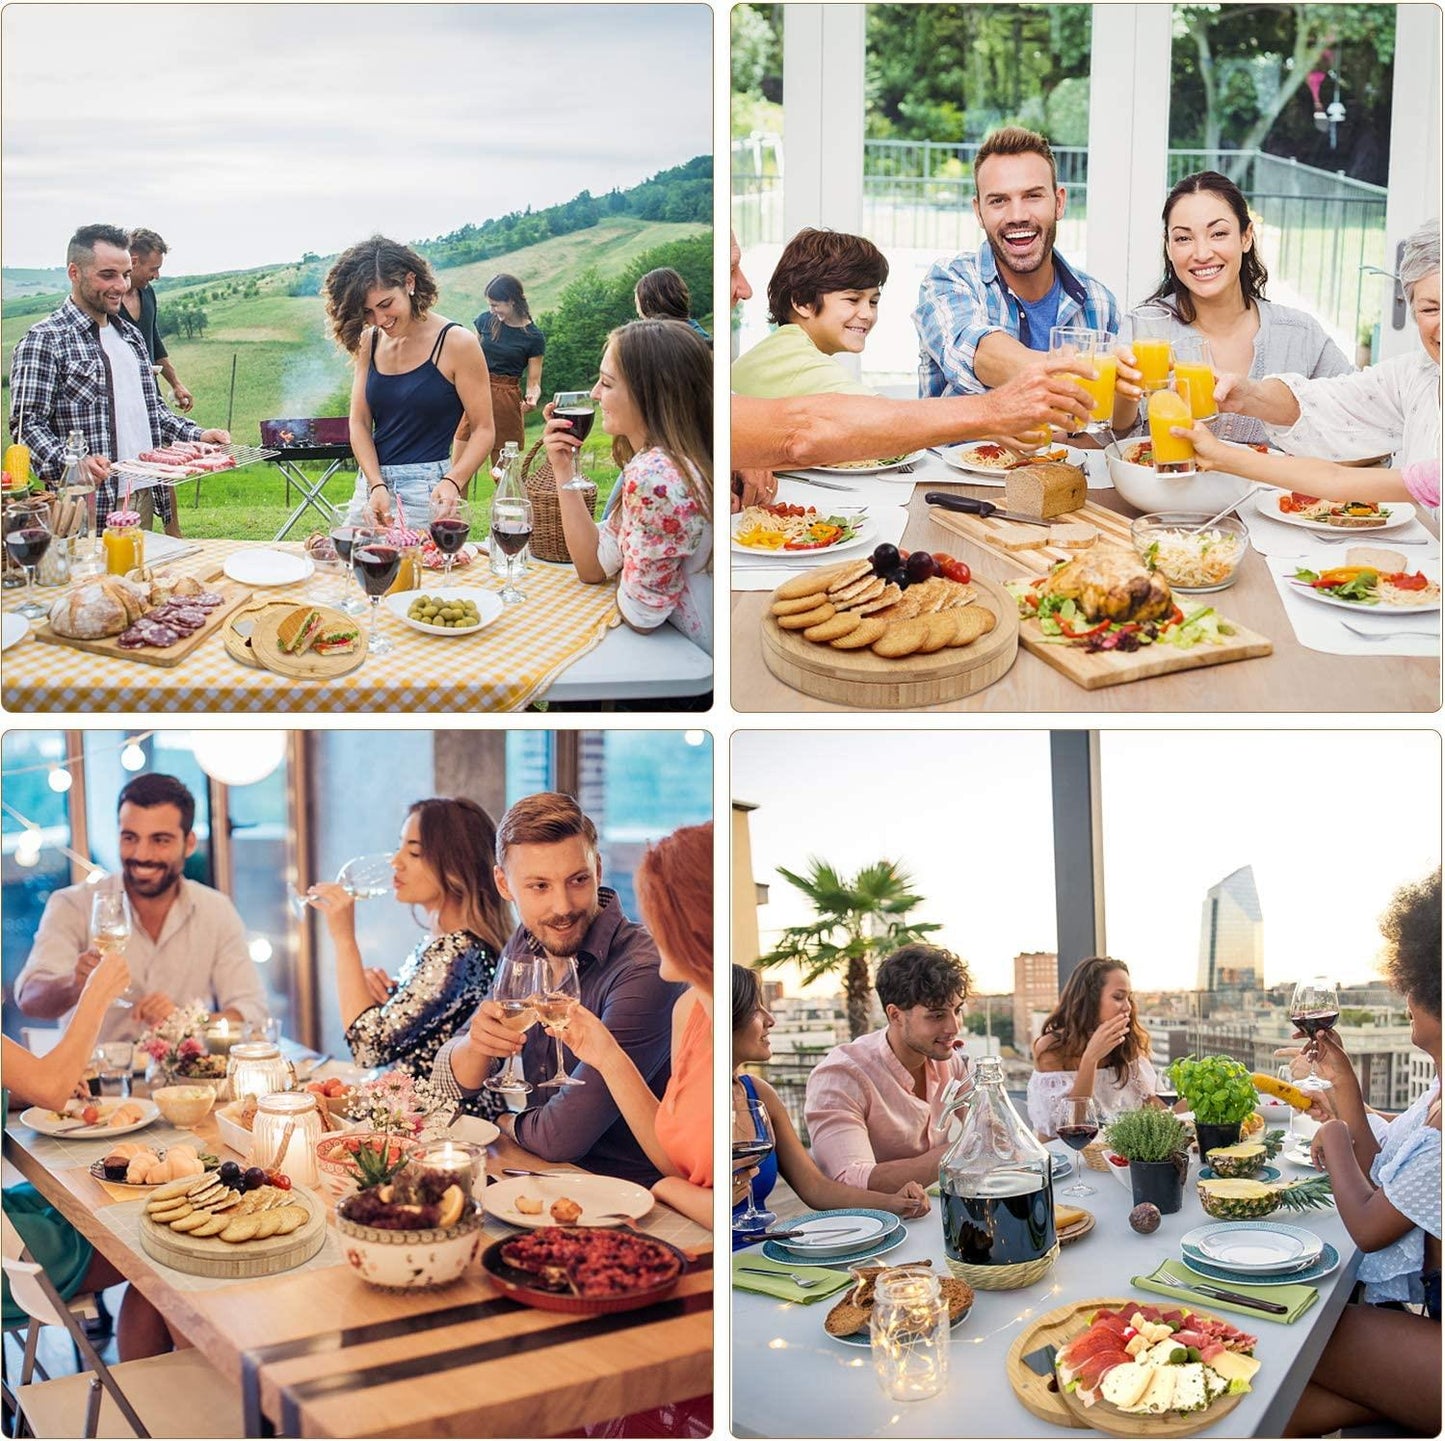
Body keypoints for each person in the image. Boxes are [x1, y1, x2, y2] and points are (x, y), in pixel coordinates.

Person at [429, 793, 683, 1185]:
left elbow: (561, 1137)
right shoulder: (528, 940)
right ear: (504, 883)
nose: (562, 906)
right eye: (539, 886)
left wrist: (504, 1121)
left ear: (597, 869)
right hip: (543, 1178)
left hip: (630, 1198)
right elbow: (448, 1083)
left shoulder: (644, 971)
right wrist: (477, 1045)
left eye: (577, 880)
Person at [1284, 868, 1441, 1437]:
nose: (1407, 995)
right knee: (1285, 1381)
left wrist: (1331, 1142)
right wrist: (1343, 1084)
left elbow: (1372, 1226)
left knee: (1295, 1330)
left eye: (1418, 983)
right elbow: (1383, 1171)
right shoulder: (1436, 1094)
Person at [1182, 218, 1441, 507]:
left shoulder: (1298, 329)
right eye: (1430, 308)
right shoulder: (1415, 375)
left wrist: (1223, 456)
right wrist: (1248, 396)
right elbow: (1330, 406)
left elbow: (1338, 483)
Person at [3, 950, 172, 1359]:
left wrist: (34, 1083)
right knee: (160, 1248)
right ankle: (165, 1404)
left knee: (112, 1198)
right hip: (11, 1255)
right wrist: (96, 992)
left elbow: (40, 1084)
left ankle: (143, 1398)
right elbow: (49, 1087)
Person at [7, 223, 230, 532]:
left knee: (137, 580)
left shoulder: (132, 338)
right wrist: (73, 464)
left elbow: (154, 414)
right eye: (107, 275)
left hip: (142, 492)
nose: (122, 286)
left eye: (125, 274)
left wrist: (197, 435)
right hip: (83, 503)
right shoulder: (44, 340)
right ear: (75, 273)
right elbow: (27, 426)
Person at [14, 773, 267, 1044]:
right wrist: (75, 985)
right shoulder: (73, 905)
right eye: (130, 838)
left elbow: (251, 1013)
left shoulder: (216, 910)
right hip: (95, 1083)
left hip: (184, 1084)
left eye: (160, 840)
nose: (142, 855)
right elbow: (29, 999)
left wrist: (188, 1021)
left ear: (189, 843)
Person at [1112, 171, 1352, 440]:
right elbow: (1114, 442)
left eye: (1218, 233)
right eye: (1183, 238)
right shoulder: (1143, 328)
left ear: (1246, 237)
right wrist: (1125, 393)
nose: (1201, 254)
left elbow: (1361, 419)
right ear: (1168, 247)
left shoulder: (1300, 335)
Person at [557, 822, 713, 1228]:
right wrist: (607, 1057)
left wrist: (665, 1189)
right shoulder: (690, 1011)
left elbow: (730, 1205)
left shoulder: (706, 1014)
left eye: (656, 910)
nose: (647, 925)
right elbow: (679, 1160)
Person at [307, 799, 509, 1109]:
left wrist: (344, 938)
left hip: (449, 1134)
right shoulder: (440, 942)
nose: (396, 862)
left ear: (455, 865)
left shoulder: (459, 952)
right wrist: (387, 1001)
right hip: (413, 1119)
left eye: (414, 852)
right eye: (400, 847)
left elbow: (368, 1049)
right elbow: (412, 1034)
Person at [914, 127, 1131, 413]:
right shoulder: (948, 281)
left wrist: (1128, 386)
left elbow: (1109, 424)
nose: (1017, 216)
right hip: (962, 458)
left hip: (1066, 459)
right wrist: (1073, 370)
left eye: (1032, 196)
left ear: (1059, 203)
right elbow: (979, 354)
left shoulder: (1099, 302)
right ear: (979, 212)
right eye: (999, 200)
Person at [542, 319, 712, 653]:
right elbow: (592, 564)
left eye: (606, 383)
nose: (594, 394)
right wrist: (563, 469)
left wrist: (626, 575)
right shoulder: (662, 461)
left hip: (685, 670)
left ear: (650, 392)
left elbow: (641, 615)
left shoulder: (656, 476)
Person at [731, 965, 930, 1245]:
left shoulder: (760, 1094)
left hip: (761, 1250)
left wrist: (893, 1203)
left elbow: (817, 1188)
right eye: (755, 1009)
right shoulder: (696, 1100)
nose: (770, 1019)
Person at [323, 235, 494, 530]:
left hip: (427, 490)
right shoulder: (370, 341)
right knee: (347, 570)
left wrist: (454, 480)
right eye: (367, 312)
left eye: (386, 304)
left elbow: (484, 428)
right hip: (371, 487)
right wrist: (375, 485)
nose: (379, 319)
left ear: (410, 282)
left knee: (414, 575)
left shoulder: (457, 343)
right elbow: (359, 423)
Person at [802, 945, 972, 1191]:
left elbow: (988, 1126)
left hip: (938, 1207)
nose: (954, 1027)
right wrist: (961, 1151)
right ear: (895, 1015)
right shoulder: (842, 1075)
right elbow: (851, 1181)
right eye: (937, 1016)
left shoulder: (951, 1060)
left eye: (957, 1011)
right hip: (873, 1223)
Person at [731, 229, 887, 398]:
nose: (868, 314)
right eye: (852, 299)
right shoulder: (798, 361)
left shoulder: (777, 350)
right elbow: (890, 417)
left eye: (873, 302)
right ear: (802, 302)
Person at [1027, 957, 1160, 1137]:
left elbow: (1152, 1107)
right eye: (1118, 997)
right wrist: (1090, 1058)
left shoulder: (1125, 1043)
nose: (1127, 1007)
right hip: (1064, 1156)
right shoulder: (1052, 1049)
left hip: (1110, 1156)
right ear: (1090, 999)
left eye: (1129, 997)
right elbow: (1073, 1126)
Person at [473, 273, 544, 466]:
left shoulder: (533, 337)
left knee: (503, 473)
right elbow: (471, 358)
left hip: (506, 400)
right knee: (461, 469)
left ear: (511, 301)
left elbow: (534, 381)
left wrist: (532, 397)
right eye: (490, 305)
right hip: (476, 393)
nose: (492, 309)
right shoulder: (485, 320)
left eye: (495, 305)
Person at [123, 229, 194, 413]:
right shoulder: (109, 303)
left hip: (150, 396)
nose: (157, 275)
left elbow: (154, 342)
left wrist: (176, 384)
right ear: (134, 262)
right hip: (121, 401)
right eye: (153, 269)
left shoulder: (148, 293)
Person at [634, 267, 711, 345]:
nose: (638, 312)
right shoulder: (697, 336)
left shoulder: (683, 344)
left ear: (648, 304)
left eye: (637, 303)